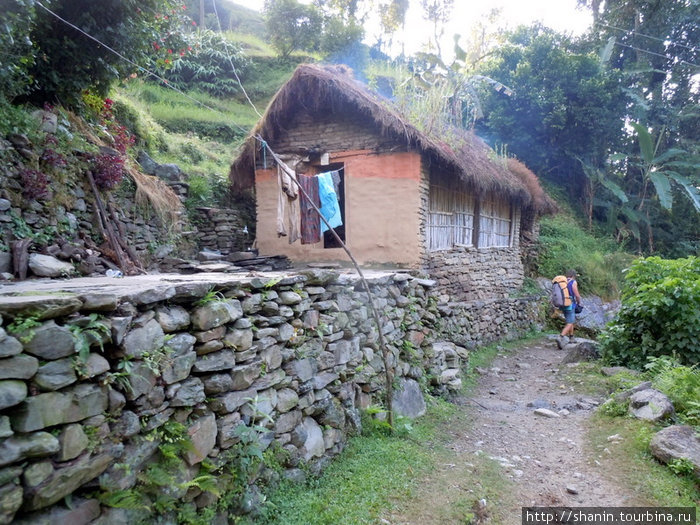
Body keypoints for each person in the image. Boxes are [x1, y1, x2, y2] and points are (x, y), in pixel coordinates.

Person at [558, 269, 582, 348]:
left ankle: (571, 337)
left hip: (562, 303)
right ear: (574, 276)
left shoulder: (563, 281)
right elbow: (577, 294)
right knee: (570, 322)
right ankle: (561, 337)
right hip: (570, 304)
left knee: (570, 321)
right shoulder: (573, 282)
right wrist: (579, 302)